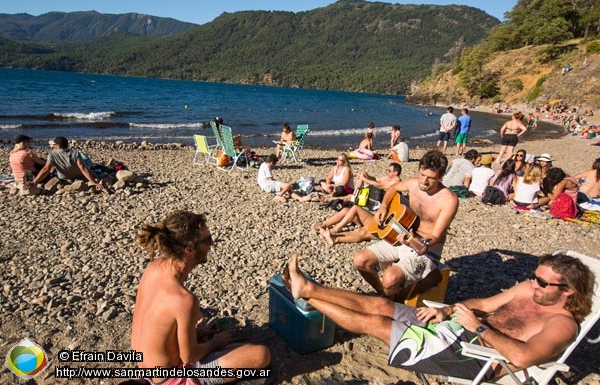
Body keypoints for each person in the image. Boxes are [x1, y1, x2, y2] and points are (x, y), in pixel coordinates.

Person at [283, 252, 593, 380]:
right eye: (535, 276)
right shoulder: (527, 289)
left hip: (476, 356)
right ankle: (309, 286)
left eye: (541, 282)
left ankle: (306, 294)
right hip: (459, 328)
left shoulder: (562, 325)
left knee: (378, 324)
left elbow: (523, 356)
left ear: (567, 291)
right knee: (381, 306)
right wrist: (445, 309)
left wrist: (478, 328)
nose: (533, 283)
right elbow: (483, 303)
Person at [132, 211, 270, 384]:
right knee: (260, 355)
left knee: (238, 344)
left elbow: (157, 324)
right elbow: (189, 356)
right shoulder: (184, 299)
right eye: (207, 240)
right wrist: (215, 343)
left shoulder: (153, 268)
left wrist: (197, 333)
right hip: (169, 379)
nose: (212, 243)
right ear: (188, 249)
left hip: (146, 367)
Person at [353, 150, 459, 300]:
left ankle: (395, 300)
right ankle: (385, 296)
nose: (423, 181)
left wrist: (414, 240)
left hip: (425, 249)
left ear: (441, 177)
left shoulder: (449, 200)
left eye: (430, 178)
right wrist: (383, 207)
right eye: (422, 175)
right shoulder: (413, 183)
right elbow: (393, 189)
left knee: (390, 278)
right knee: (360, 259)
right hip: (401, 236)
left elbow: (435, 236)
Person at [317, 163, 402, 245]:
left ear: (396, 173)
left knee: (355, 209)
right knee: (346, 210)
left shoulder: (396, 182)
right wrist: (365, 175)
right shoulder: (388, 178)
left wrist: (364, 179)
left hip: (379, 218)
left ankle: (336, 230)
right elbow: (376, 179)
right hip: (376, 214)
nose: (388, 172)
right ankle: (323, 226)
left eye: (390, 171)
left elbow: (379, 185)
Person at [33, 136, 103, 190]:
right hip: (78, 175)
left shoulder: (52, 154)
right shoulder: (75, 153)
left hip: (63, 177)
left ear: (58, 145)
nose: (53, 146)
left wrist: (34, 182)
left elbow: (46, 169)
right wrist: (94, 182)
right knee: (95, 169)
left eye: (54, 144)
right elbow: (82, 168)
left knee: (53, 171)